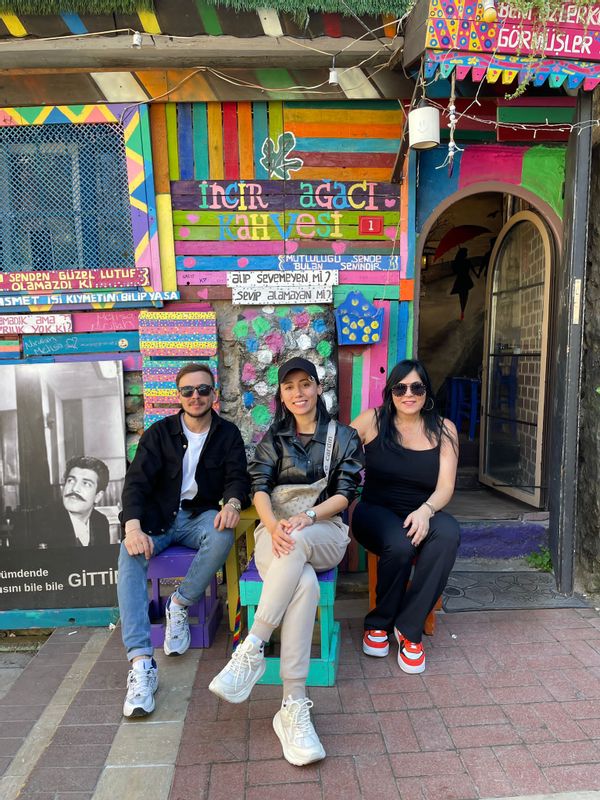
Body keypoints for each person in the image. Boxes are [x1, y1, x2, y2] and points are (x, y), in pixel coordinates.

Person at [209, 357, 363, 766]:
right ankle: (292, 705)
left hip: (325, 530)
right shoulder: (272, 439)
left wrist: (308, 516)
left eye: (306, 384)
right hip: (275, 532)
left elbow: (346, 493)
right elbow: (258, 487)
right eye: (289, 386)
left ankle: (252, 647)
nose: (298, 393)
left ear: (318, 389)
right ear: (281, 394)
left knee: (298, 543)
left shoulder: (344, 436)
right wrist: (274, 524)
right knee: (306, 584)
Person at [118, 362, 250, 718]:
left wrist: (234, 503)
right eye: (188, 391)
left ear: (214, 395)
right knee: (128, 556)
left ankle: (179, 603)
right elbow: (136, 484)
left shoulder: (227, 434)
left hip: (198, 517)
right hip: (158, 520)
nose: (196, 396)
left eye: (203, 390)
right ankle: (142, 663)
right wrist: (132, 527)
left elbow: (239, 477)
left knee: (223, 530)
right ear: (179, 396)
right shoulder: (159, 433)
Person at [351, 359, 460, 674]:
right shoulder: (373, 420)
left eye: (417, 387)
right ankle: (379, 622)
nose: (408, 394)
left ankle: (409, 629)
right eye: (400, 387)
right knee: (399, 543)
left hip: (422, 511)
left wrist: (426, 511)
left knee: (448, 533)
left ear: (426, 391)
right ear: (390, 392)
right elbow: (335, 450)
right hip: (374, 511)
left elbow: (446, 487)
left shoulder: (444, 429)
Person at [37, 456, 111, 548]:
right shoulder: (40, 523)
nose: (75, 488)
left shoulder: (101, 522)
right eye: (71, 480)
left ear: (98, 496)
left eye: (86, 484)